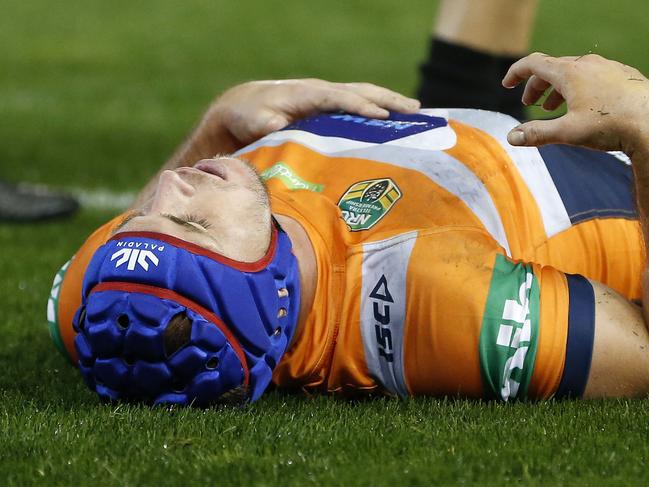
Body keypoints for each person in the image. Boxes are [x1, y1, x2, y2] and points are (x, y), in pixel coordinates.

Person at [45, 50, 649, 406]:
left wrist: (220, 123)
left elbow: (145, 230)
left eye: (144, 214)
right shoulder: (436, 297)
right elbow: (641, 353)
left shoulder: (100, 294)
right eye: (189, 219)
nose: (172, 183)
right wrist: (640, 123)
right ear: (263, 284)